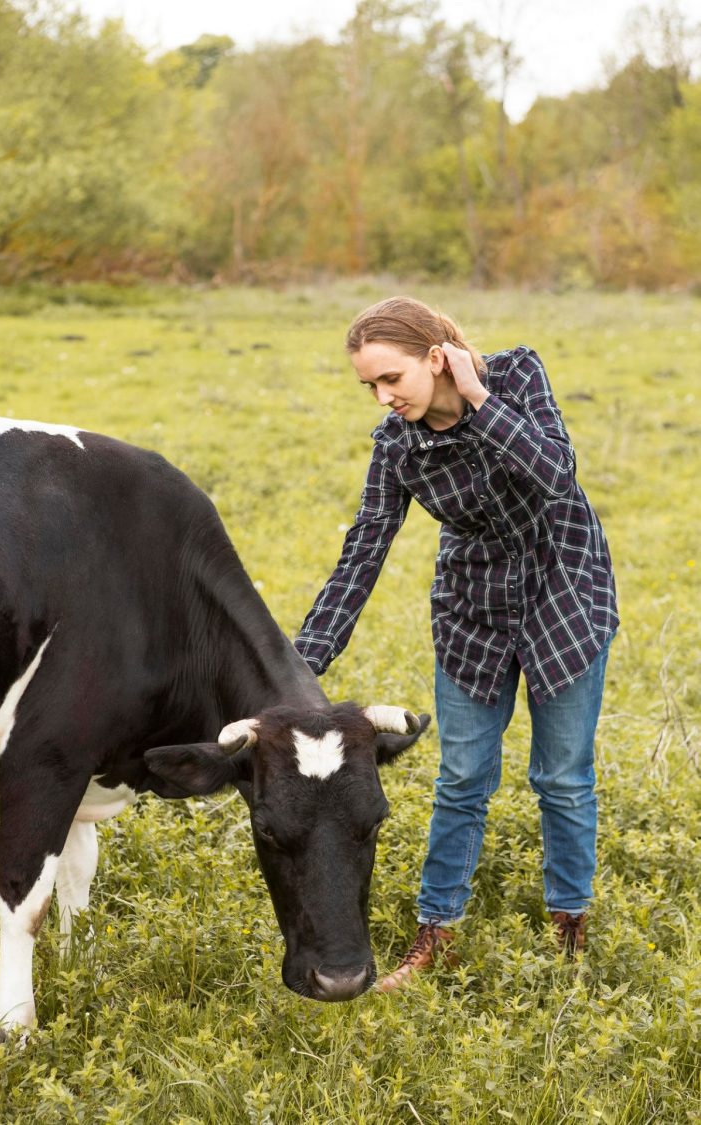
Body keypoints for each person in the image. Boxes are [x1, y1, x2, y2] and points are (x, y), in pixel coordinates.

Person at [294, 295, 618, 992]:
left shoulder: (517, 376)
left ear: (435, 358)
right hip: (473, 609)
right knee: (463, 778)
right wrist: (300, 661)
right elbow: (363, 552)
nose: (383, 398)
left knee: (561, 778)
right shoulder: (397, 445)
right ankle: (436, 934)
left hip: (565, 589)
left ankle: (569, 933)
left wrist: (478, 398)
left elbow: (555, 476)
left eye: (392, 380)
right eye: (370, 387)